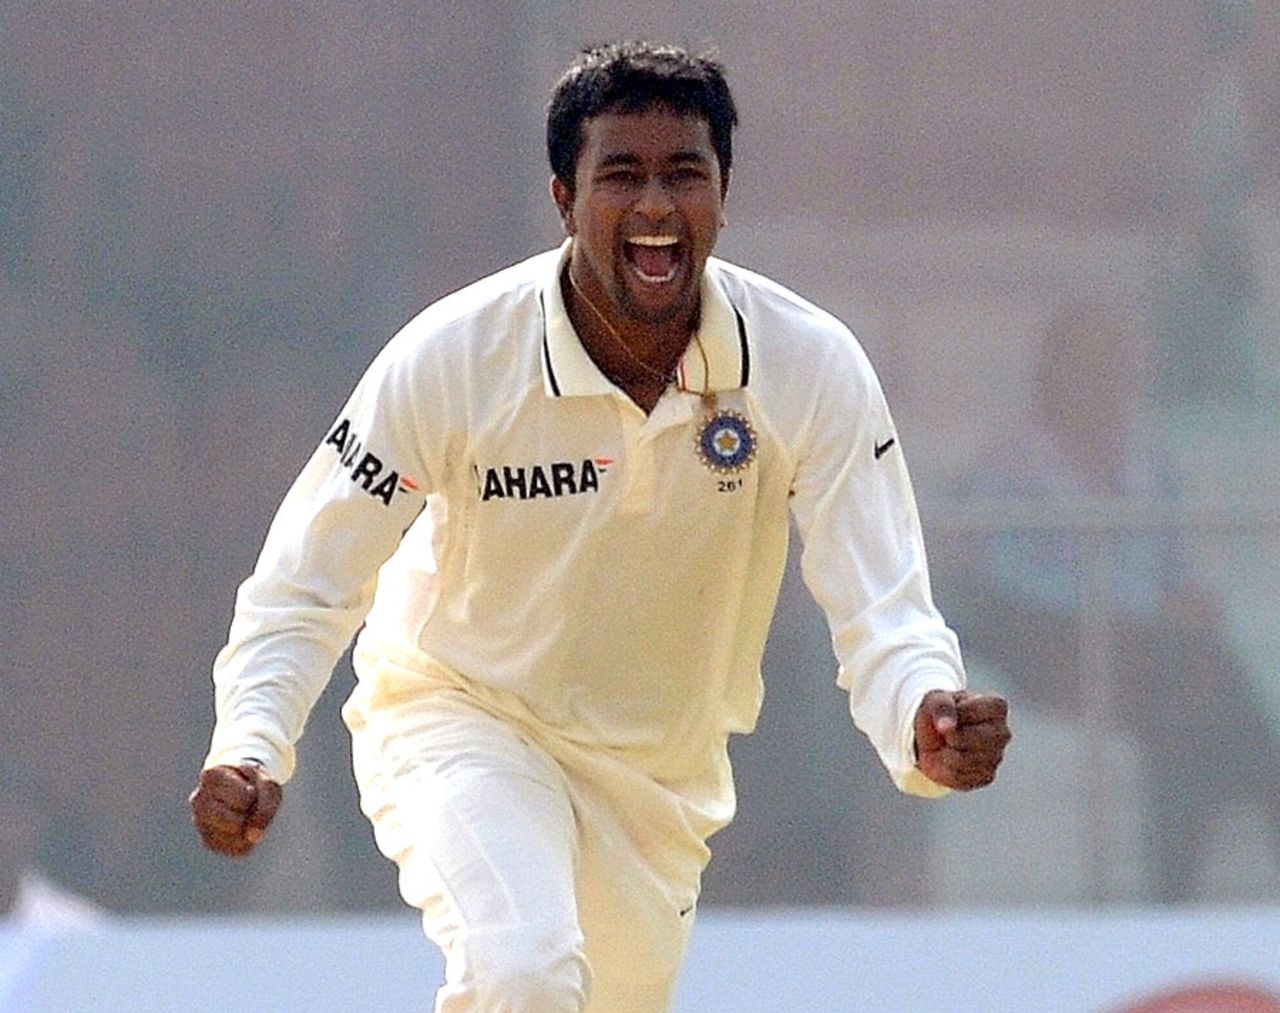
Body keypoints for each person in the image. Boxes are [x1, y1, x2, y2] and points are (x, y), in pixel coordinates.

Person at [189, 41, 1010, 1010]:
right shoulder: (453, 357)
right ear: (562, 199)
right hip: (462, 715)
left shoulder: (807, 365)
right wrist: (250, 740)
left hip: (658, 775)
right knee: (522, 970)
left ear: (722, 192)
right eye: (619, 175)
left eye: (683, 175)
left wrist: (924, 709)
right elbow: (309, 578)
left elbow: (882, 602)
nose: (655, 206)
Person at [938, 305, 1280, 903]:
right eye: (1086, 364)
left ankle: (1179, 888)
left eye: (1113, 365)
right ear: (1056, 373)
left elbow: (1173, 557)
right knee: (1200, 691)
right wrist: (1138, 607)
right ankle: (1189, 876)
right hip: (1055, 640)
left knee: (1190, 709)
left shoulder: (1148, 462)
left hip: (1152, 647)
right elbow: (1001, 576)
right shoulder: (1013, 469)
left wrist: (1183, 597)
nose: (1102, 380)